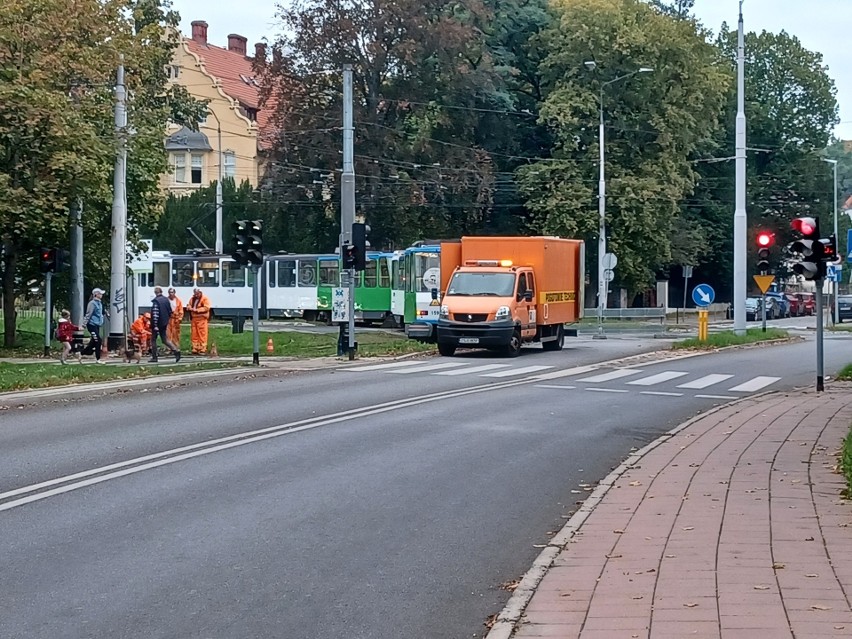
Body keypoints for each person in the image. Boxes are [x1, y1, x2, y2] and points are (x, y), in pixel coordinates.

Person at [150, 286, 181, 363]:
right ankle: (176, 350)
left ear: (155, 293)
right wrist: (166, 320)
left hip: (157, 324)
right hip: (164, 323)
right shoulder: (166, 300)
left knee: (153, 340)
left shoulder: (156, 301)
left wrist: (155, 325)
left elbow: (155, 314)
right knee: (165, 339)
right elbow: (170, 311)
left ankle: (154, 356)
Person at [81, 288, 106, 363]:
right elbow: (88, 314)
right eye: (100, 294)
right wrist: (84, 324)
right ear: (96, 294)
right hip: (91, 325)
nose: (101, 295)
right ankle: (98, 358)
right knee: (98, 340)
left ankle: (82, 353)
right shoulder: (92, 303)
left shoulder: (100, 303)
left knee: (94, 342)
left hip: (97, 325)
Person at [185, 288, 211, 354]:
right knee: (194, 334)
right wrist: (188, 307)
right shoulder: (192, 299)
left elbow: (206, 308)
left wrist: (197, 310)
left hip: (202, 319)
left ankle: (202, 348)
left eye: (197, 293)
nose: (196, 295)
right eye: (195, 293)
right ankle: (195, 348)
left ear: (200, 293)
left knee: (202, 334)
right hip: (194, 319)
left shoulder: (205, 299)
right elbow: (189, 304)